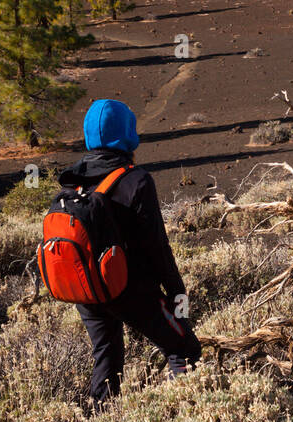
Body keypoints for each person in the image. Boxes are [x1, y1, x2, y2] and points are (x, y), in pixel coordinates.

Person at [58, 98, 200, 405]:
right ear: (127, 132)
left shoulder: (72, 183)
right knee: (184, 349)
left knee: (106, 357)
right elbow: (157, 247)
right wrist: (176, 292)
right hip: (128, 289)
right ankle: (195, 421)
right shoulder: (136, 180)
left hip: (86, 290)